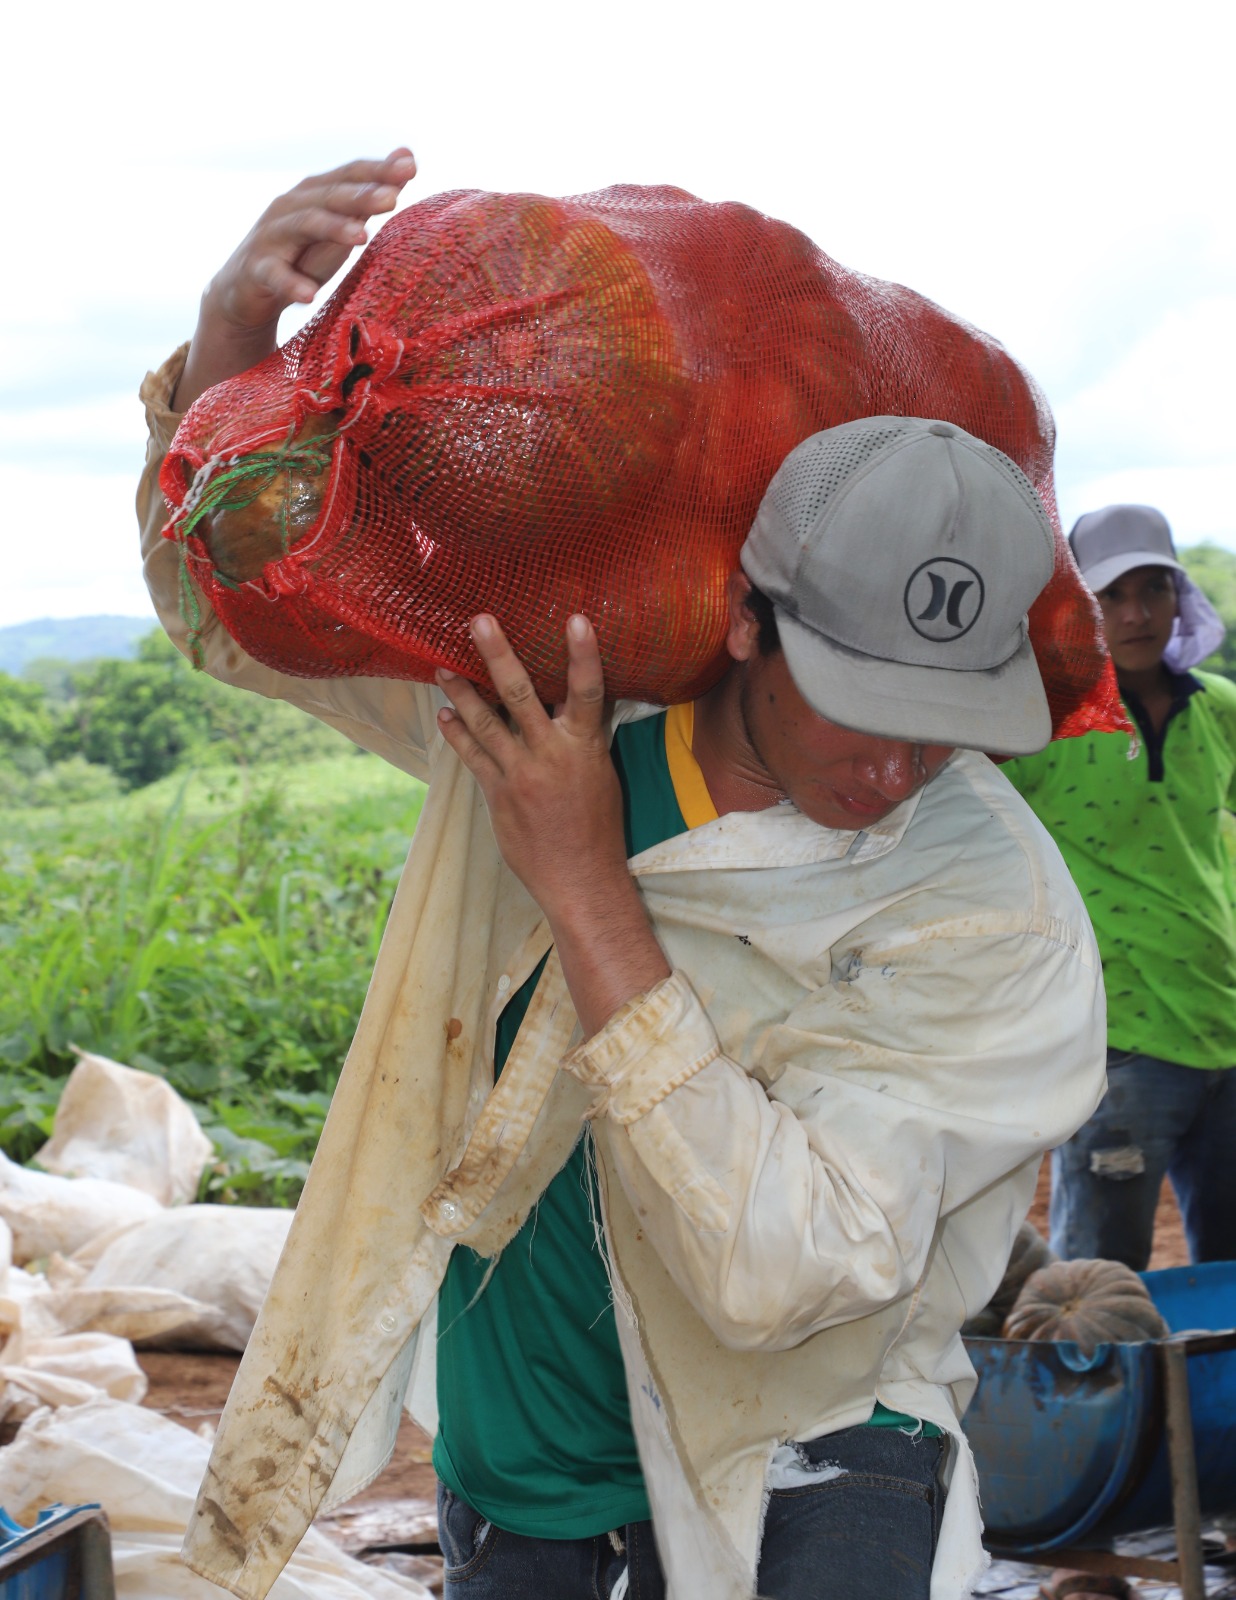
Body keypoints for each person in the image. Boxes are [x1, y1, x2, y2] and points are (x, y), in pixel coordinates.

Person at [137, 154, 1107, 1600]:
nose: (902, 766)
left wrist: (586, 886)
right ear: (744, 621)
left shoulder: (991, 911)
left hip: (809, 1457)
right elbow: (250, 611)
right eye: (861, 703)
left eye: (947, 721)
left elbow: (786, 1273)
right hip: (524, 1472)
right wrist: (233, 336)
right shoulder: (547, 721)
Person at [1004, 504, 1236, 1271]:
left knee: (1227, 1281)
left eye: (1154, 589)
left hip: (1224, 1029)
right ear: (1080, 605)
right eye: (1112, 595)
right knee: (1099, 1289)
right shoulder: (1043, 724)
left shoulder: (1220, 710)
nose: (1136, 614)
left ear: (1179, 596)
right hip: (1116, 1050)